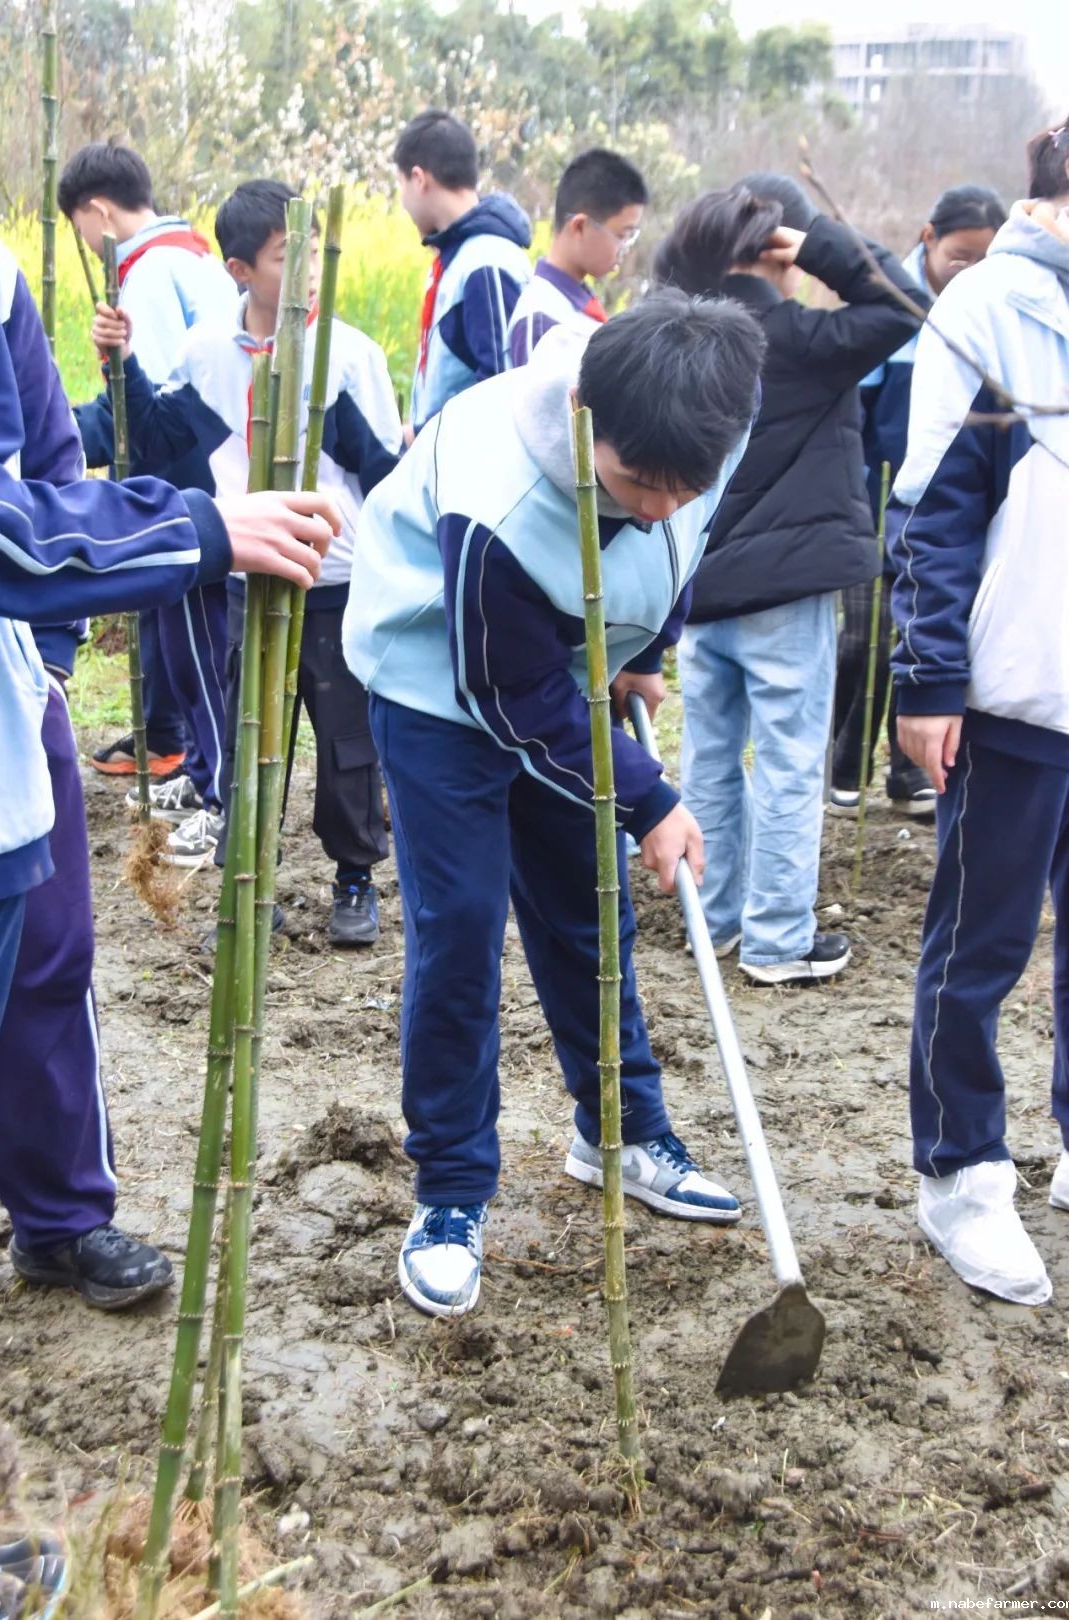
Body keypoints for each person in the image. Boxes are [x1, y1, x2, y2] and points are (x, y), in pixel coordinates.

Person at [345, 293, 766, 1318]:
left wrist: (644, 653)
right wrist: (651, 795)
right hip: (440, 686)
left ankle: (616, 1133)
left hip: (565, 680)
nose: (662, 505)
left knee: (589, 913)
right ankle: (449, 1192)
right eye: (636, 485)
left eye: (686, 488)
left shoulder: (704, 424)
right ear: (583, 416)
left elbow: (675, 548)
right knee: (461, 933)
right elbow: (512, 693)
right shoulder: (499, 499)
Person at [0, 213, 337, 1308]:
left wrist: (43, 663)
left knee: (49, 957)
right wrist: (192, 531)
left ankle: (59, 1221)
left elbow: (45, 457)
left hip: (5, 693)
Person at [94, 180, 401, 941]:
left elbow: (386, 476)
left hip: (333, 579)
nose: (304, 275)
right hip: (245, 574)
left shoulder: (348, 356)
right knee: (242, 729)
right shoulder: (206, 353)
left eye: (309, 255)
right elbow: (160, 439)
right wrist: (121, 361)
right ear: (238, 270)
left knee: (345, 738)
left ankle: (354, 876)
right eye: (282, 258)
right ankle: (243, 875)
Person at [657, 176, 927, 985]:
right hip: (788, 591)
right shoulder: (806, 339)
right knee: (786, 756)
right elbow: (905, 304)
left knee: (707, 752)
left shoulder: (686, 337)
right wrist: (825, 248)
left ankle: (718, 916)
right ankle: (778, 939)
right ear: (784, 247)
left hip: (699, 585)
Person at [888, 121, 1069, 1305]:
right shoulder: (988, 309)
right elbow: (934, 505)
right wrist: (928, 680)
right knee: (981, 941)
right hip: (1016, 687)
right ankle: (961, 1170)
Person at [59, 141, 240, 798]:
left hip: (189, 483)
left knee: (197, 641)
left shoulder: (149, 273)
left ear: (98, 212)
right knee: (203, 639)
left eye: (81, 229)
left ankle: (211, 781)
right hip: (224, 468)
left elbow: (148, 405)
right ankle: (187, 758)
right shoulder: (199, 260)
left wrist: (58, 438)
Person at [830, 185, 1007, 820]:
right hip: (876, 501)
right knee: (865, 642)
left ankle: (909, 774)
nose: (969, 272)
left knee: (920, 635)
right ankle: (844, 764)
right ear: (928, 238)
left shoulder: (991, 314)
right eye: (960, 257)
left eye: (984, 261)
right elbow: (855, 417)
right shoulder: (890, 307)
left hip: (945, 511)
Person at [396, 110, 532, 437]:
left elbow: (504, 389)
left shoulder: (488, 262)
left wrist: (425, 435)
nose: (402, 201)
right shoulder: (460, 256)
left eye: (400, 185)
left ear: (419, 178)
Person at [507, 148, 647, 366]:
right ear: (580, 226)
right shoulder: (540, 320)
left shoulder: (579, 303)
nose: (625, 248)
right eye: (621, 235)